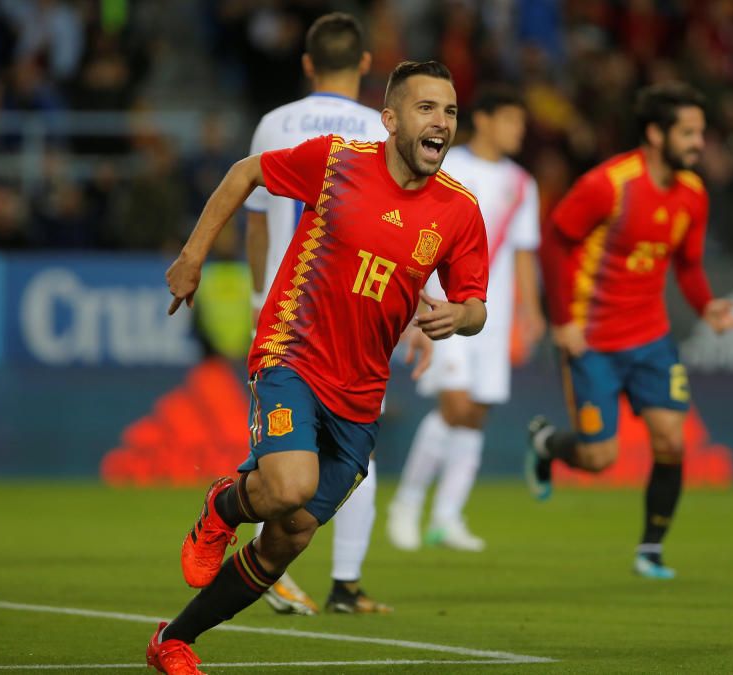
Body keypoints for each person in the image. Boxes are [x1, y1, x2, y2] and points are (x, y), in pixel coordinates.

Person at [148, 60, 488, 674]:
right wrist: (193, 256)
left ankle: (173, 640)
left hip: (362, 392)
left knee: (290, 535)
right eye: (426, 108)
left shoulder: (459, 211)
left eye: (451, 111)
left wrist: (456, 318)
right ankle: (223, 508)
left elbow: (476, 306)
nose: (441, 122)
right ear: (390, 120)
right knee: (288, 485)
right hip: (292, 354)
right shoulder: (336, 163)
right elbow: (245, 173)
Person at [525, 82, 733, 580]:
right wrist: (563, 322)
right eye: (688, 133)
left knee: (672, 440)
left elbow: (687, 264)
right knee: (599, 458)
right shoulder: (610, 184)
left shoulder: (692, 193)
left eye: (700, 133)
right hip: (593, 341)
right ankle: (548, 445)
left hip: (650, 338)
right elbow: (555, 243)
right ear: (655, 134)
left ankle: (651, 549)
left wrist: (706, 306)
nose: (698, 143)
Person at [243, 11, 391, 616]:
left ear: (307, 64)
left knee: (280, 448)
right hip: (354, 313)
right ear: (363, 63)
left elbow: (254, 219)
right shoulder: (381, 131)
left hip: (284, 315)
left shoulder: (274, 124)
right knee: (354, 452)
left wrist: (258, 302)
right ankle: (343, 584)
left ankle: (278, 567)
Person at [388, 85, 544, 552]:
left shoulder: (522, 184)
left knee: (475, 414)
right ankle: (407, 504)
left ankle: (447, 517)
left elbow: (521, 252)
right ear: (487, 121)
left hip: (491, 315)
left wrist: (531, 311)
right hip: (442, 302)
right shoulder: (448, 167)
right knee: (454, 406)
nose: (519, 131)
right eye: (512, 121)